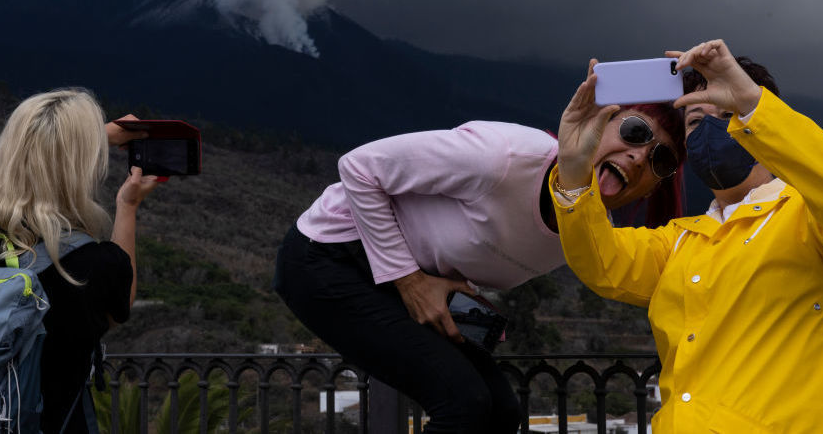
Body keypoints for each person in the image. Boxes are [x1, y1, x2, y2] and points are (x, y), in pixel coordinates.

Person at [274, 106, 685, 434]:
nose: (638, 155)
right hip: (327, 256)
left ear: (654, 186)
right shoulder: (506, 156)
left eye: (660, 159)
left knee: (501, 414)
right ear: (599, 122)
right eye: (635, 132)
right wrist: (411, 281)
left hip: (405, 280)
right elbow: (359, 168)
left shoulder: (588, 233)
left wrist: (457, 291)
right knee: (462, 404)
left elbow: (464, 237)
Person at [551, 39, 823, 432]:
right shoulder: (680, 241)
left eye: (729, 113)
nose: (713, 129)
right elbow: (601, 264)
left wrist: (752, 102)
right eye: (696, 121)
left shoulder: (816, 221)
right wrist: (573, 169)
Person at [0, 88, 159, 433]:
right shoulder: (93, 268)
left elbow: (34, 157)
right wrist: (127, 207)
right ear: (80, 171)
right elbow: (121, 302)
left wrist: (81, 137)